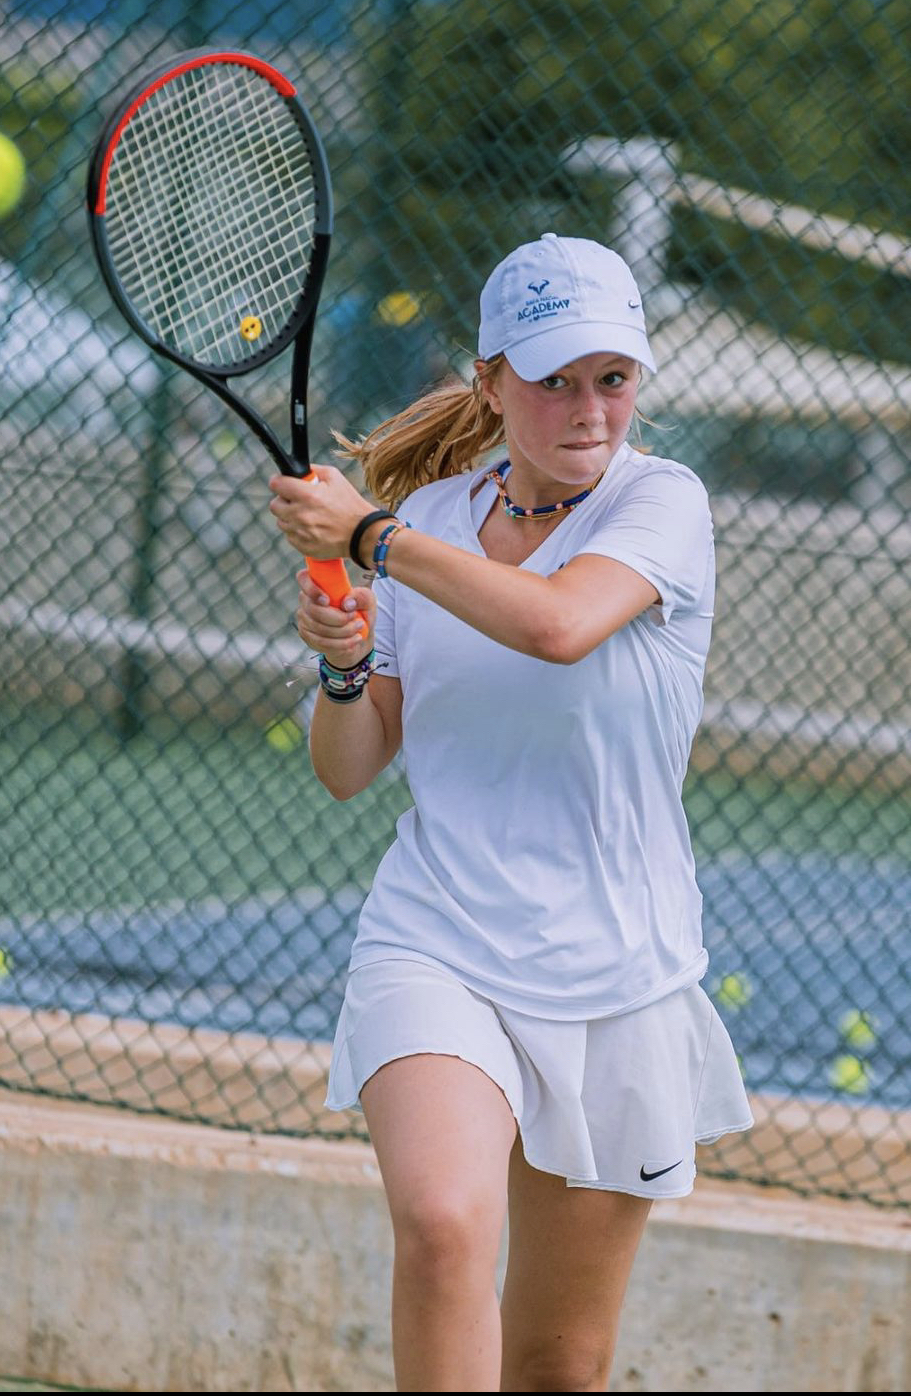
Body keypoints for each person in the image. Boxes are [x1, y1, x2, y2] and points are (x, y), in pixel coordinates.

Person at [268, 234, 753, 1394]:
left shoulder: (662, 503)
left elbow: (555, 624)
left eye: (613, 377)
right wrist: (343, 666)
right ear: (491, 381)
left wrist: (373, 539)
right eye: (553, 379)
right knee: (441, 1224)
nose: (590, 409)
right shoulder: (434, 518)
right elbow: (349, 764)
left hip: (619, 972)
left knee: (558, 1367)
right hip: (439, 936)